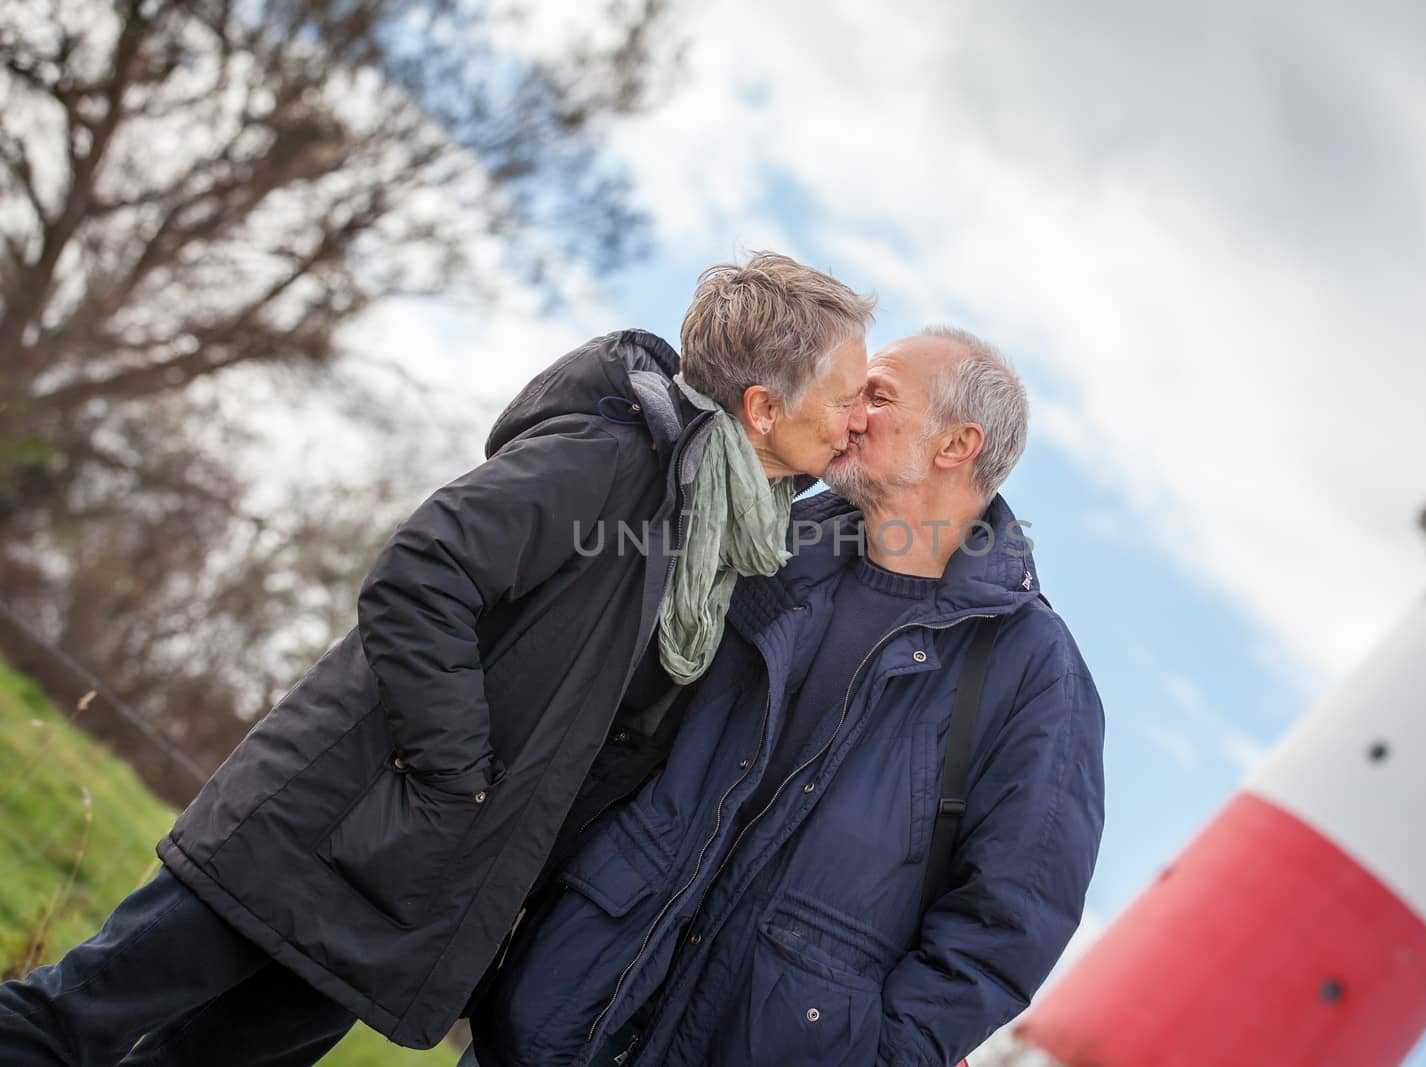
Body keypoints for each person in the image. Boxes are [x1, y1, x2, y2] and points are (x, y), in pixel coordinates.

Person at [0, 252, 876, 1065]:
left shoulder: (727, 543)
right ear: (764, 408)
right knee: (65, 1025)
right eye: (845, 398)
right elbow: (421, 574)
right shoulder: (611, 461)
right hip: (317, 829)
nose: (856, 420)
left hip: (404, 897)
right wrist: (458, 776)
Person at [466, 327, 1106, 1067]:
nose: (847, 411)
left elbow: (1007, 922)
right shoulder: (765, 546)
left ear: (955, 445)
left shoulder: (1037, 671)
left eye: (879, 394)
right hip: (553, 1016)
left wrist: (871, 1055)